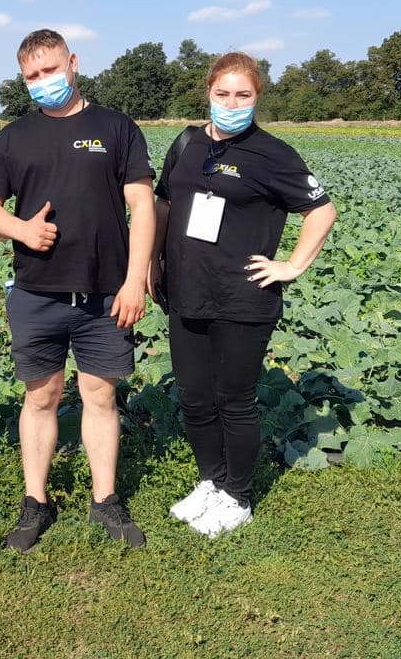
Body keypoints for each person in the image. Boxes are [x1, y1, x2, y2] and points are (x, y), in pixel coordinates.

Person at [0, 29, 155, 552]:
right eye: (32, 75)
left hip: (104, 296)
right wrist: (22, 230)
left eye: (50, 70)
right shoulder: (12, 138)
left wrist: (134, 280)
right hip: (37, 294)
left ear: (72, 63)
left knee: (100, 395)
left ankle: (105, 501)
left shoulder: (116, 127)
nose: (42, 82)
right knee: (42, 397)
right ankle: (36, 502)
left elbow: (141, 206)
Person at [149, 51, 336, 537]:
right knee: (194, 397)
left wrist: (291, 265)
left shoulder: (273, 154)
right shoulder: (187, 143)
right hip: (186, 289)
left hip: (243, 296)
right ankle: (211, 481)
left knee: (234, 399)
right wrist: (152, 259)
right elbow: (164, 202)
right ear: (208, 92)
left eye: (243, 95)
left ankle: (239, 495)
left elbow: (321, 211)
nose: (231, 102)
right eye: (222, 93)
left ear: (257, 98)